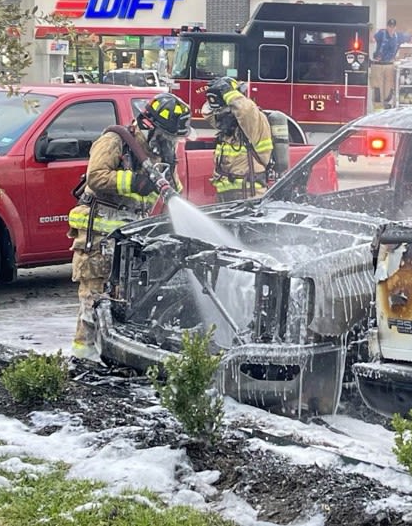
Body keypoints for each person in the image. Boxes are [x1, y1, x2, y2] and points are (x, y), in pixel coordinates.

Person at [67, 93, 191, 361]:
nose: (172, 143)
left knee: (125, 300)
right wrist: (134, 182)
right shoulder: (115, 141)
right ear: (150, 125)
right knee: (94, 298)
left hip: (132, 237)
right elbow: (96, 177)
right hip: (99, 233)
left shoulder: (160, 152)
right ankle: (82, 358)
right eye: (169, 136)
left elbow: (174, 192)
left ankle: (115, 355)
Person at [202, 77, 273, 202]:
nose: (220, 116)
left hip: (250, 197)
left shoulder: (253, 123)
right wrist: (214, 95)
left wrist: (228, 92)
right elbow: (207, 113)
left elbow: (245, 110)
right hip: (226, 198)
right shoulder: (228, 127)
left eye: (225, 111)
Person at [370, 18, 410, 109]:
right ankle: (377, 110)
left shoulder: (399, 36)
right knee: (377, 88)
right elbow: (372, 40)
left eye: (393, 26)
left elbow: (411, 38)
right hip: (378, 65)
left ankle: (387, 108)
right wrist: (369, 30)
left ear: (395, 27)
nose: (391, 28)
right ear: (387, 26)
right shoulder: (381, 34)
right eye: (389, 26)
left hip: (390, 66)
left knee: (389, 88)